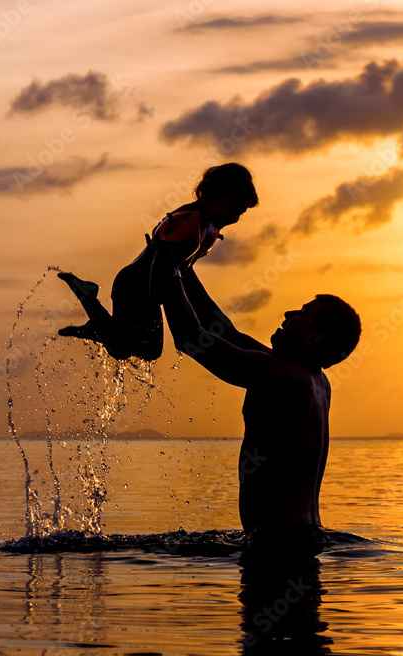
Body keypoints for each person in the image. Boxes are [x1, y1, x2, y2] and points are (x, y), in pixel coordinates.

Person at [161, 265, 361, 548]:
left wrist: (167, 271)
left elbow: (190, 338)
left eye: (302, 313)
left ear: (313, 337)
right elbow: (225, 332)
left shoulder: (285, 378)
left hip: (279, 544)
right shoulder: (310, 378)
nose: (288, 315)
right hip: (298, 538)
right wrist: (182, 266)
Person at [57, 163, 258, 361]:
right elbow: (159, 263)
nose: (234, 218)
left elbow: (182, 270)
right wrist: (151, 305)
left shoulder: (206, 228)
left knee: (150, 350)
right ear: (210, 194)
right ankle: (88, 298)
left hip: (149, 289)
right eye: (231, 208)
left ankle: (99, 327)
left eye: (240, 213)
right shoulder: (189, 224)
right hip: (133, 285)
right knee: (121, 348)